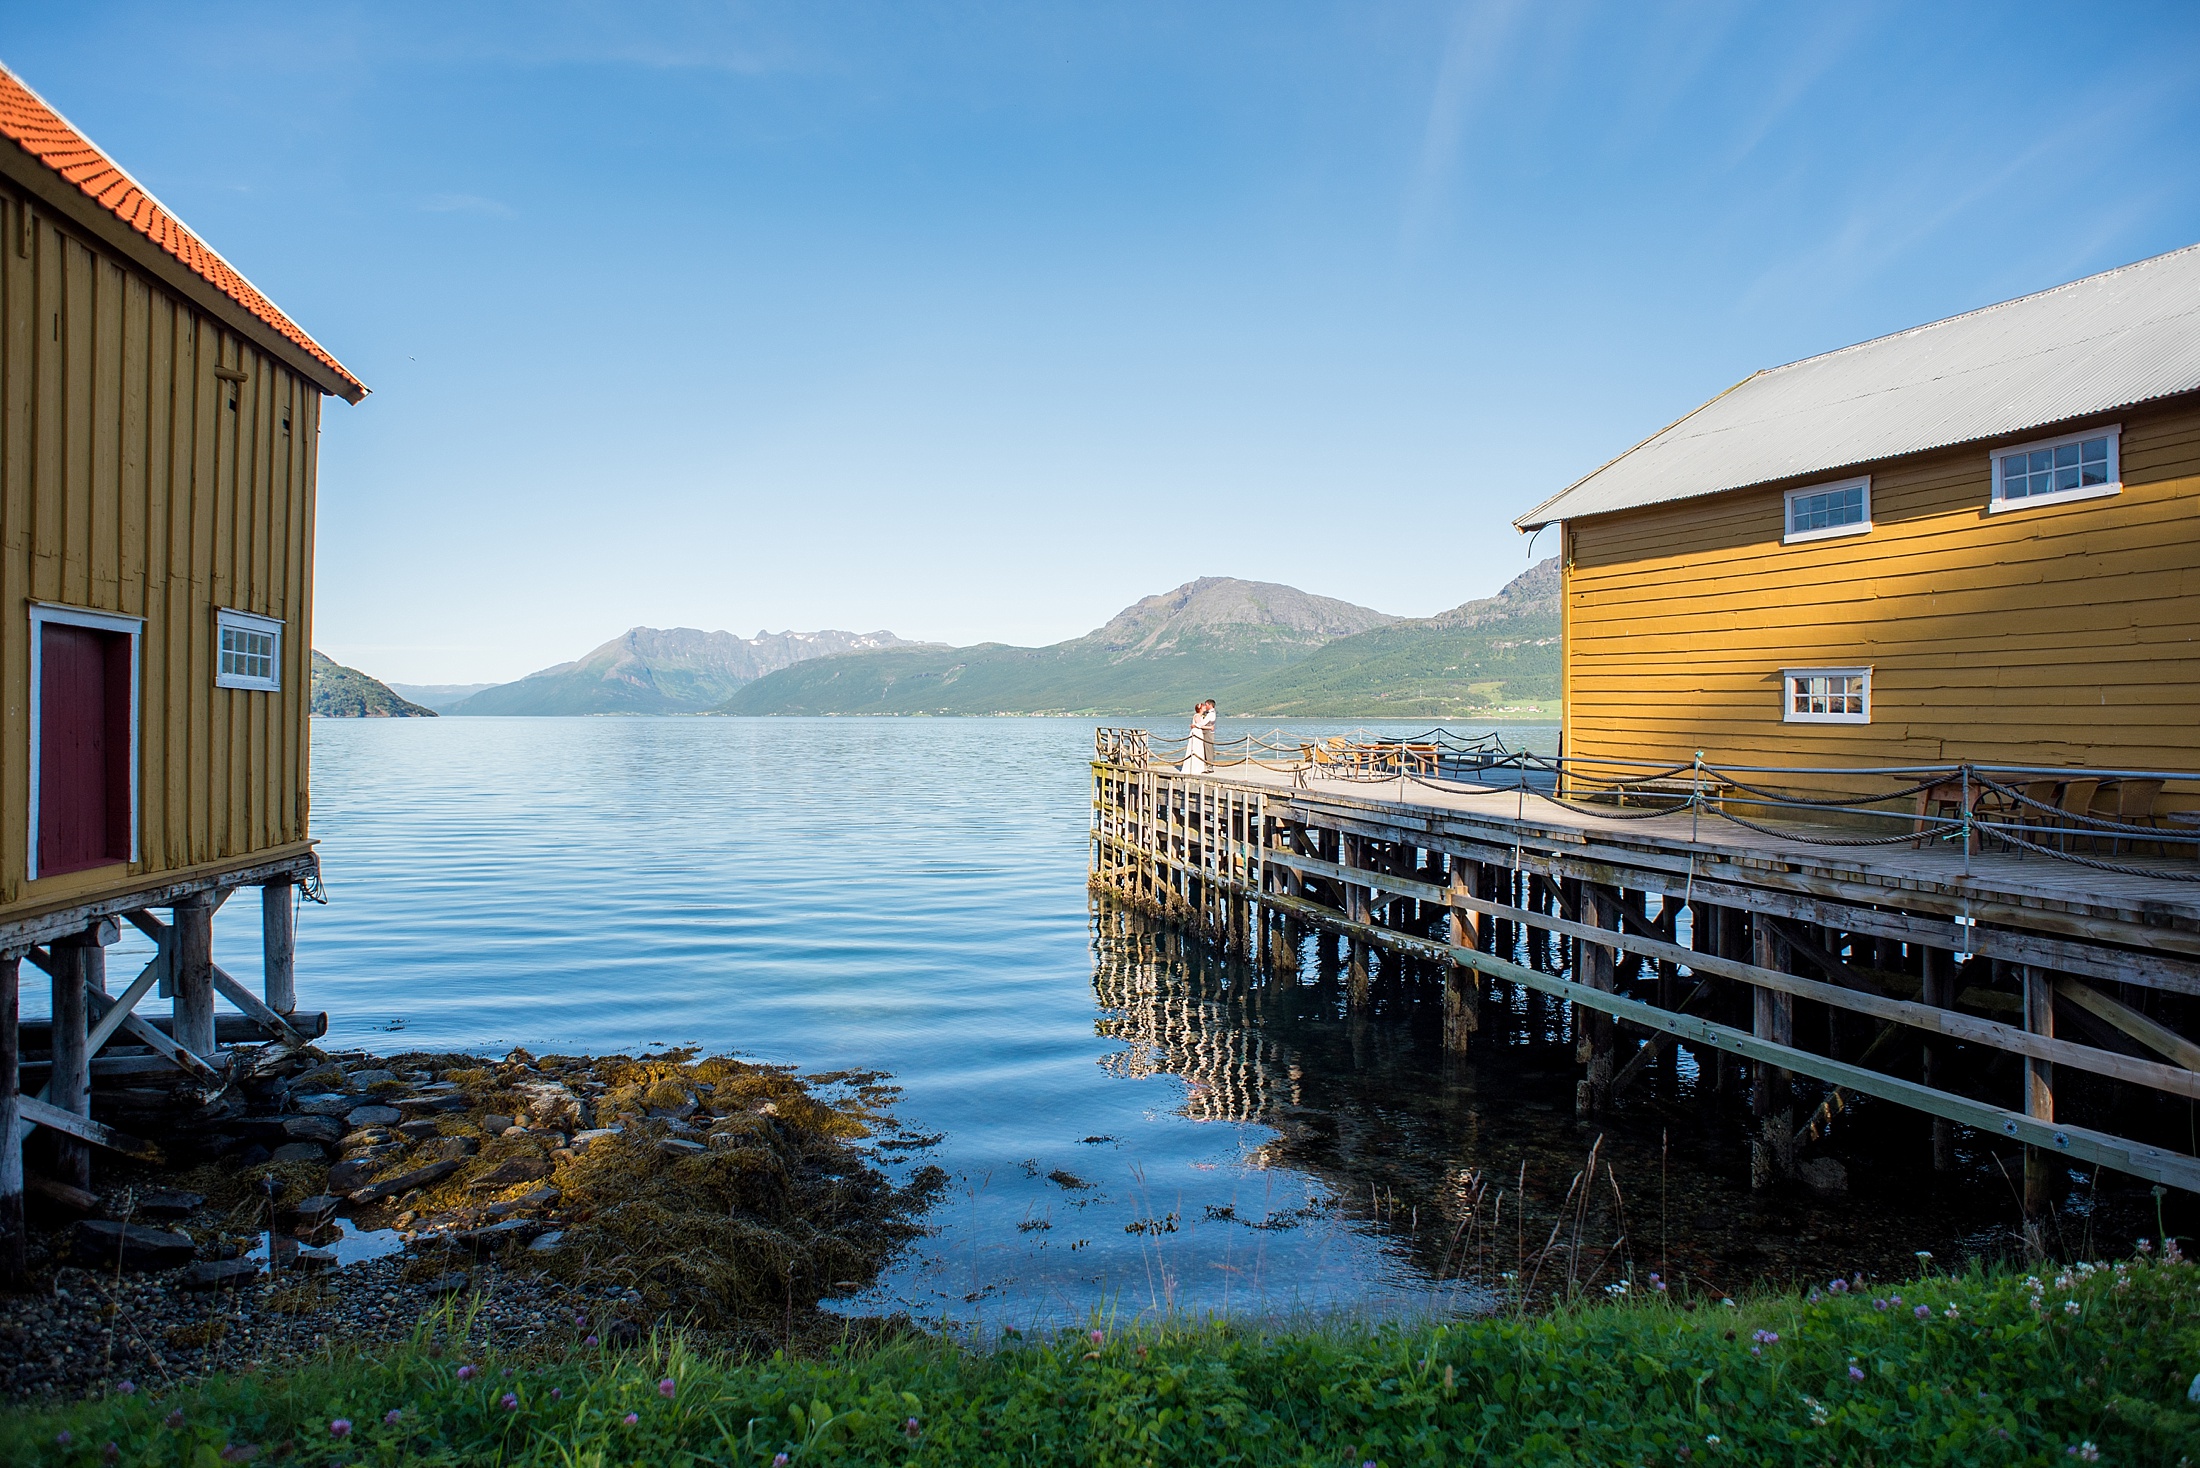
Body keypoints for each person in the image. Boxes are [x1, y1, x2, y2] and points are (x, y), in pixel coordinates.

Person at [1183, 700, 1216, 773]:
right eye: (1204, 706)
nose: (1205, 706)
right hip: (1198, 733)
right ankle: (1200, 766)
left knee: (1206, 749)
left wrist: (1195, 725)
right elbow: (1201, 724)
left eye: (1206, 705)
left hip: (1205, 733)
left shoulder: (1210, 714)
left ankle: (1208, 766)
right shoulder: (1198, 715)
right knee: (1198, 749)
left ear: (1209, 705)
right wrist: (1208, 727)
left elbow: (1202, 724)